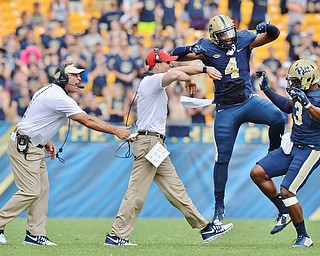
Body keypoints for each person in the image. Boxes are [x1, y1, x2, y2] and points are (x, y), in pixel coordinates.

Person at [104, 49, 233, 246]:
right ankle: (116, 235)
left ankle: (205, 229)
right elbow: (175, 74)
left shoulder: (154, 82)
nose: (170, 64)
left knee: (176, 189)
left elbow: (178, 69)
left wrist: (204, 69)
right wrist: (188, 80)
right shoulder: (151, 80)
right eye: (166, 62)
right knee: (136, 193)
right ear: (156, 65)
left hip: (155, 144)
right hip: (149, 143)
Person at [171, 14, 286, 227]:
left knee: (278, 118)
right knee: (222, 159)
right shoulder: (206, 47)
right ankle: (219, 208)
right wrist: (191, 50)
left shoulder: (243, 38)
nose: (228, 37)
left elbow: (272, 36)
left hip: (248, 100)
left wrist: (268, 27)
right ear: (214, 37)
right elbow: (174, 56)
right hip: (226, 109)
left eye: (229, 32)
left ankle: (273, 152)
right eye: (223, 35)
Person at [0, 63, 132, 246]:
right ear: (62, 78)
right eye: (75, 75)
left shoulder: (49, 91)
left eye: (79, 75)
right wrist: (115, 130)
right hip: (26, 146)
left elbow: (34, 118)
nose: (79, 79)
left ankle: (35, 234)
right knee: (31, 191)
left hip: (32, 144)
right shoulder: (59, 97)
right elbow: (87, 120)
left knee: (42, 190)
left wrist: (45, 139)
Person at [250, 59, 320, 247]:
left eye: (296, 81)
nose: (293, 84)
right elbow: (288, 106)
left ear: (308, 79)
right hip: (294, 145)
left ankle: (304, 237)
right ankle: (284, 211)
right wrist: (267, 90)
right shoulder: (302, 93)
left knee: (287, 191)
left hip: (312, 149)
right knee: (257, 173)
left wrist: (307, 104)